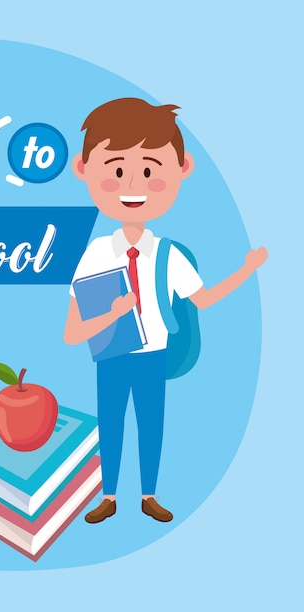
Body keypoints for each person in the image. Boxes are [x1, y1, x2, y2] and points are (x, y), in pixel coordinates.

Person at [64, 98, 267, 523]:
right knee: (112, 429)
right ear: (86, 169)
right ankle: (110, 497)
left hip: (153, 359)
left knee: (151, 428)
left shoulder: (170, 256)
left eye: (149, 170)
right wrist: (115, 311)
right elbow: (72, 332)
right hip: (112, 359)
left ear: (181, 168)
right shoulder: (96, 256)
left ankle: (149, 496)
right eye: (117, 171)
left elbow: (204, 299)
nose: (131, 185)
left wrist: (246, 272)